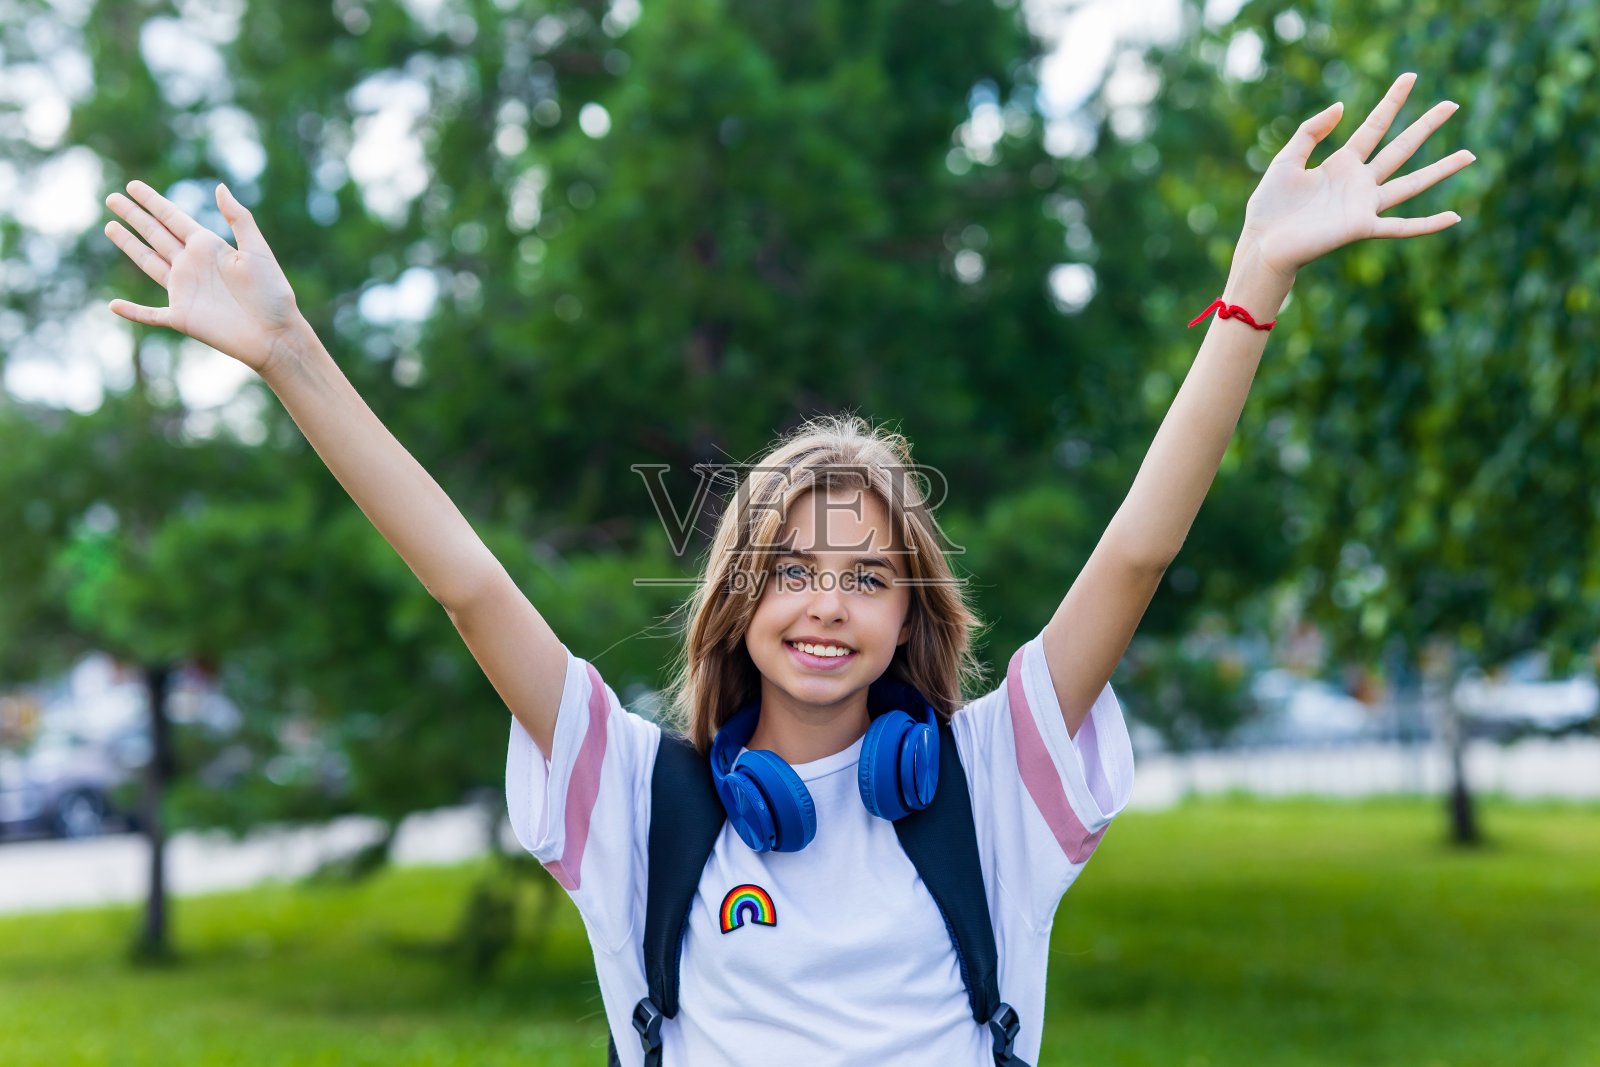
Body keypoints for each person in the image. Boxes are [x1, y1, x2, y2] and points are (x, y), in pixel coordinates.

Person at [102, 70, 1473, 1065]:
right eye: (793, 571)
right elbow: (467, 582)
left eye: (869, 578)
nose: (827, 605)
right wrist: (289, 354)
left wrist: (1254, 282)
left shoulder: (997, 780)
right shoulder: (633, 797)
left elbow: (1139, 549)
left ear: (910, 616)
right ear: (735, 600)